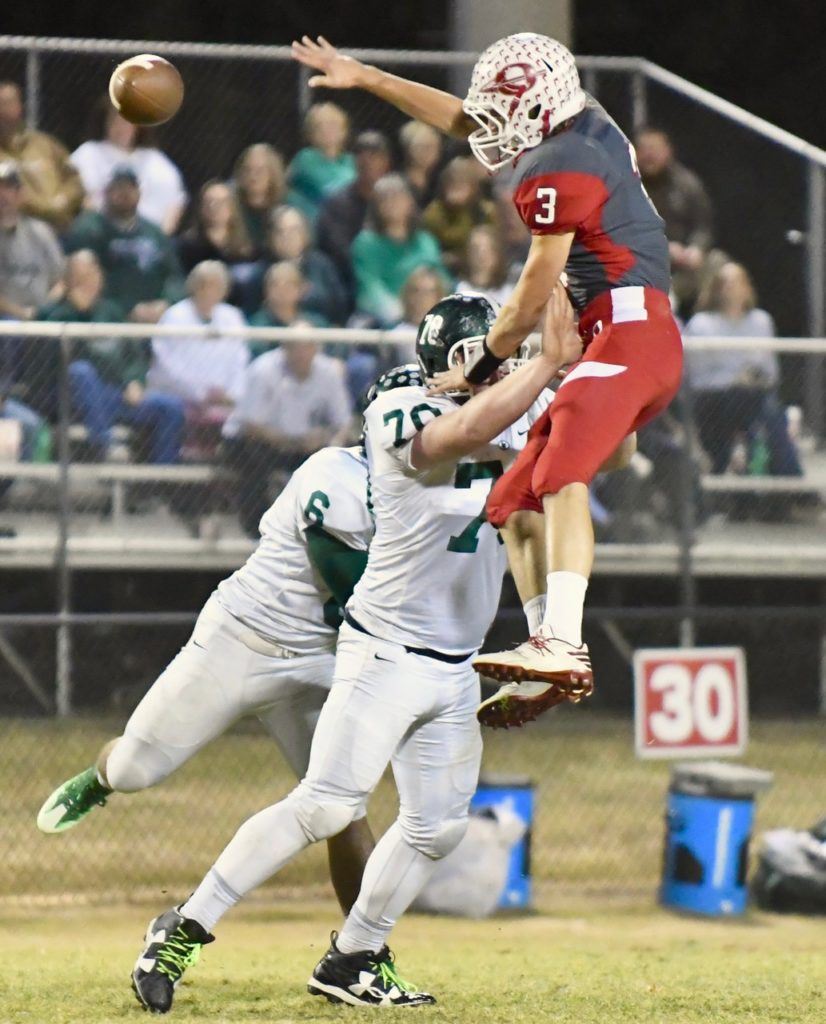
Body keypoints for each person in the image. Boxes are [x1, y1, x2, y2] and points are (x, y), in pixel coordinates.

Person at [129, 290, 577, 1012]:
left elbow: (575, 475)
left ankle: (354, 956)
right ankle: (182, 929)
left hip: (456, 662)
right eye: (497, 345)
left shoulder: (515, 404)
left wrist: (601, 382)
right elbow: (454, 437)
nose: (510, 356)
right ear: (459, 356)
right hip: (387, 651)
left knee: (438, 827)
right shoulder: (399, 408)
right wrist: (549, 368)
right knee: (326, 806)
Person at [292, 33, 683, 726]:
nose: (491, 130)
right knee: (512, 499)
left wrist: (485, 357)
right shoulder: (572, 125)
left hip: (628, 330)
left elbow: (535, 283)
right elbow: (464, 119)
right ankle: (545, 649)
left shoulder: (562, 163)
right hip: (611, 337)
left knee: (561, 471)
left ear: (538, 111)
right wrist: (368, 76)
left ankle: (563, 642)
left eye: (508, 114)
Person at [36, 442, 378, 923]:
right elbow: (366, 598)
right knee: (134, 771)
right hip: (241, 639)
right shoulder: (335, 472)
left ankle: (360, 951)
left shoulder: (428, 492)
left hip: (320, 659)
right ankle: (101, 778)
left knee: (342, 805)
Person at [39, 250, 184, 464]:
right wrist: (77, 311)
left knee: (170, 407)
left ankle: (161, 480)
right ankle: (105, 447)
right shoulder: (53, 313)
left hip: (115, 395)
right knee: (81, 371)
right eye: (80, 277)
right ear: (67, 281)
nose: (87, 282)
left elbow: (133, 356)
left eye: (92, 275)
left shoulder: (112, 311)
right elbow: (54, 354)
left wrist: (135, 381)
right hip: (70, 399)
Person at [222, 334, 352, 537]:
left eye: (306, 347)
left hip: (303, 442)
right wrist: (292, 441)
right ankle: (258, 531)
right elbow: (251, 426)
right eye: (295, 347)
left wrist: (329, 441)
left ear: (315, 349)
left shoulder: (328, 372)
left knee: (344, 456)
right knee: (251, 458)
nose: (301, 354)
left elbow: (342, 422)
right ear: (284, 349)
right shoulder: (263, 370)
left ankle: (327, 530)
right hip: (255, 441)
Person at [684, 261, 802, 479]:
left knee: (771, 413)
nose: (732, 288)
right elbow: (697, 378)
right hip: (714, 400)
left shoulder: (761, 321)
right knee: (767, 412)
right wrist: (735, 379)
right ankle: (794, 481)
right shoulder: (701, 324)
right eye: (726, 283)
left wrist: (751, 379)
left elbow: (770, 373)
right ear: (716, 288)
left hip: (753, 398)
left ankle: (783, 484)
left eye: (737, 282)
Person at [64, 166, 185, 324]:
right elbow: (82, 278)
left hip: (158, 319)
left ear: (139, 193)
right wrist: (126, 309)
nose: (124, 193)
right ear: (106, 192)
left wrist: (166, 303)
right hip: (106, 320)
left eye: (130, 188)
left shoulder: (154, 233)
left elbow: (174, 276)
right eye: (118, 188)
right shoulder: (89, 229)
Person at [146, 261, 249, 423]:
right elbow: (167, 363)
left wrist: (231, 394)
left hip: (224, 399)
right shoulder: (175, 316)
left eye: (217, 285)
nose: (210, 291)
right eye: (205, 285)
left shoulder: (232, 316)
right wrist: (201, 393)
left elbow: (240, 360)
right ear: (194, 286)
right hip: (178, 396)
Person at [71, 97, 187, 234]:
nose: (122, 127)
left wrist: (160, 239)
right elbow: (80, 196)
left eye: (128, 122)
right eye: (116, 121)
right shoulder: (88, 153)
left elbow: (175, 202)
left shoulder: (154, 160)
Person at [634, 126, 716, 315]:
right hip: (641, 259)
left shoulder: (687, 184)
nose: (649, 155)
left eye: (654, 149)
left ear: (668, 151)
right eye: (644, 149)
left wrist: (697, 248)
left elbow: (703, 225)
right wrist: (664, 247)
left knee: (720, 267)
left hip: (684, 263)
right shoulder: (627, 184)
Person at [351, 173, 445, 326]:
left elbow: (441, 281)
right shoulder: (365, 244)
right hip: (381, 320)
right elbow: (371, 289)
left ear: (410, 203)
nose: (392, 203)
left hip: (427, 316)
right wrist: (403, 315)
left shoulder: (426, 242)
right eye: (385, 198)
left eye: (398, 197)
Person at [0, 81, 84, 231]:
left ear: (19, 106)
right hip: (19, 229)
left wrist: (62, 201)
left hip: (64, 224)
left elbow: (74, 180)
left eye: (8, 103)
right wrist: (48, 209)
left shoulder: (44, 144)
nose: (3, 110)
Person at [316, 130, 391, 290]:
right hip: (350, 278)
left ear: (386, 162)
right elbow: (339, 250)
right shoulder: (336, 203)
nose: (367, 162)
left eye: (374, 155)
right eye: (361, 155)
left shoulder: (396, 198)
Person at [176, 179, 259, 313]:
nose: (214, 207)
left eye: (221, 202)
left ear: (232, 207)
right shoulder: (187, 247)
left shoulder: (247, 250)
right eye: (209, 202)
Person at [0, 160, 64, 321]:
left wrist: (43, 310)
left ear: (21, 194)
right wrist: (23, 314)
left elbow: (60, 281)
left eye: (9, 188)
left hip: (42, 315)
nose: (3, 195)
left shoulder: (41, 231)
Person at [266, 205, 348, 325]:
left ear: (304, 232)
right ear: (272, 237)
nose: (288, 237)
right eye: (281, 232)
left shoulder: (321, 265)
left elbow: (340, 304)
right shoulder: (264, 271)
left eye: (294, 230)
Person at [422, 156, 495, 272]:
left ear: (473, 186)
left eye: (462, 183)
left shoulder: (486, 212)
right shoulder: (433, 214)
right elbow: (427, 249)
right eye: (453, 183)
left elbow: (493, 249)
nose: (457, 188)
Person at [286, 102, 356, 223]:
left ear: (344, 131)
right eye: (319, 126)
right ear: (310, 133)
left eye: (332, 125)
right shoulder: (305, 159)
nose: (326, 130)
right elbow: (330, 190)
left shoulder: (352, 161)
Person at [232, 143, 287, 256]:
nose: (253, 176)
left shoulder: (288, 205)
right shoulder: (231, 204)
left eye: (260, 170)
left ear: (273, 173)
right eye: (247, 170)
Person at [388, 266, 448, 363]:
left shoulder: (448, 335)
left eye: (428, 293)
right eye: (416, 291)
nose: (421, 298)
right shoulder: (392, 334)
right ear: (407, 295)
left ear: (438, 297)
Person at [456, 223, 514, 307]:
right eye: (476, 249)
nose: (481, 255)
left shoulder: (509, 292)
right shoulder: (460, 289)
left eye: (487, 249)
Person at [399, 119, 443, 208]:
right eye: (422, 147)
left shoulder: (442, 181)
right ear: (408, 149)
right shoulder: (398, 184)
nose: (428, 152)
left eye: (432, 146)